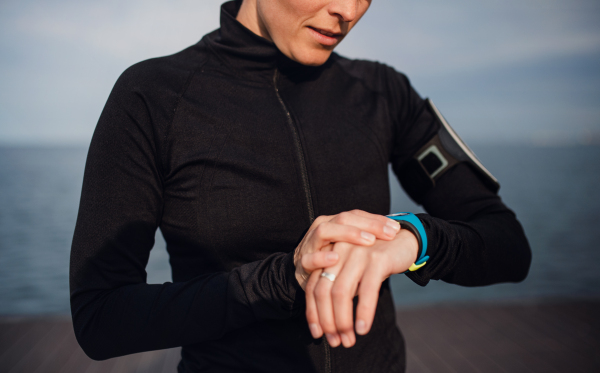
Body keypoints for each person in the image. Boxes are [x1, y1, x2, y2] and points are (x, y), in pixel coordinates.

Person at [69, 0, 531, 372]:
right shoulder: (152, 96)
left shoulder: (383, 92)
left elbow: (509, 245)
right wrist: (284, 277)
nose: (349, 11)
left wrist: (412, 238)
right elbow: (101, 318)